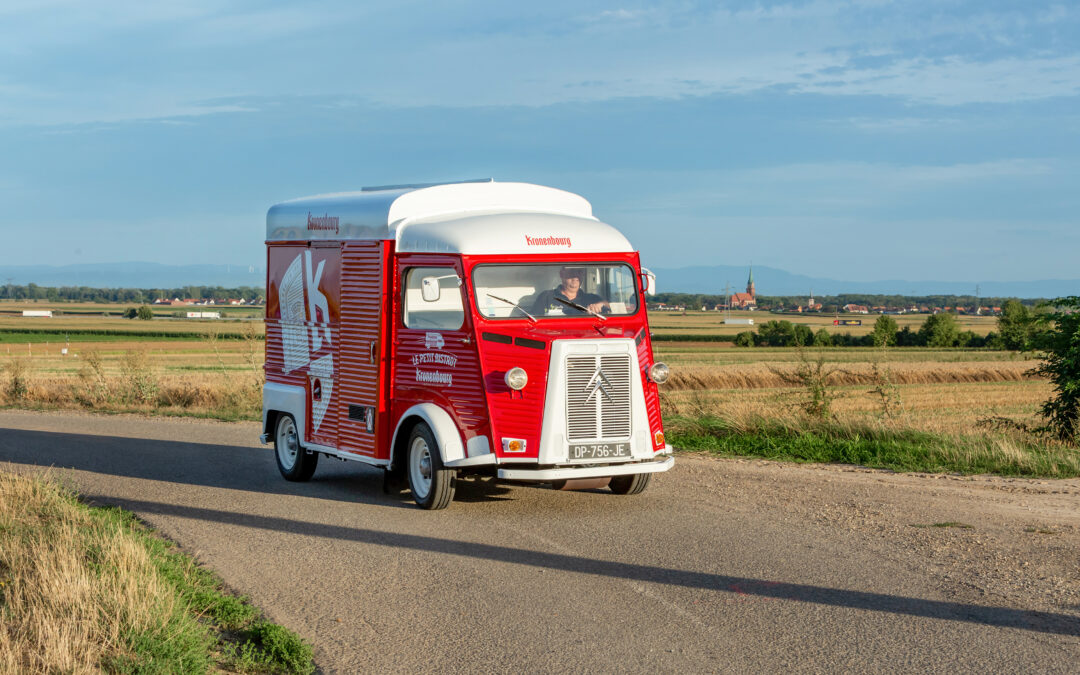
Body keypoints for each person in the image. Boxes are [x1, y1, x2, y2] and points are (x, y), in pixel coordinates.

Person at [531, 267, 610, 316]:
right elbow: (534, 323)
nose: (576, 277)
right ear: (562, 274)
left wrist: (601, 304)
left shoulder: (592, 299)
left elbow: (612, 309)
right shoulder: (546, 297)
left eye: (579, 272)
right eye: (572, 272)